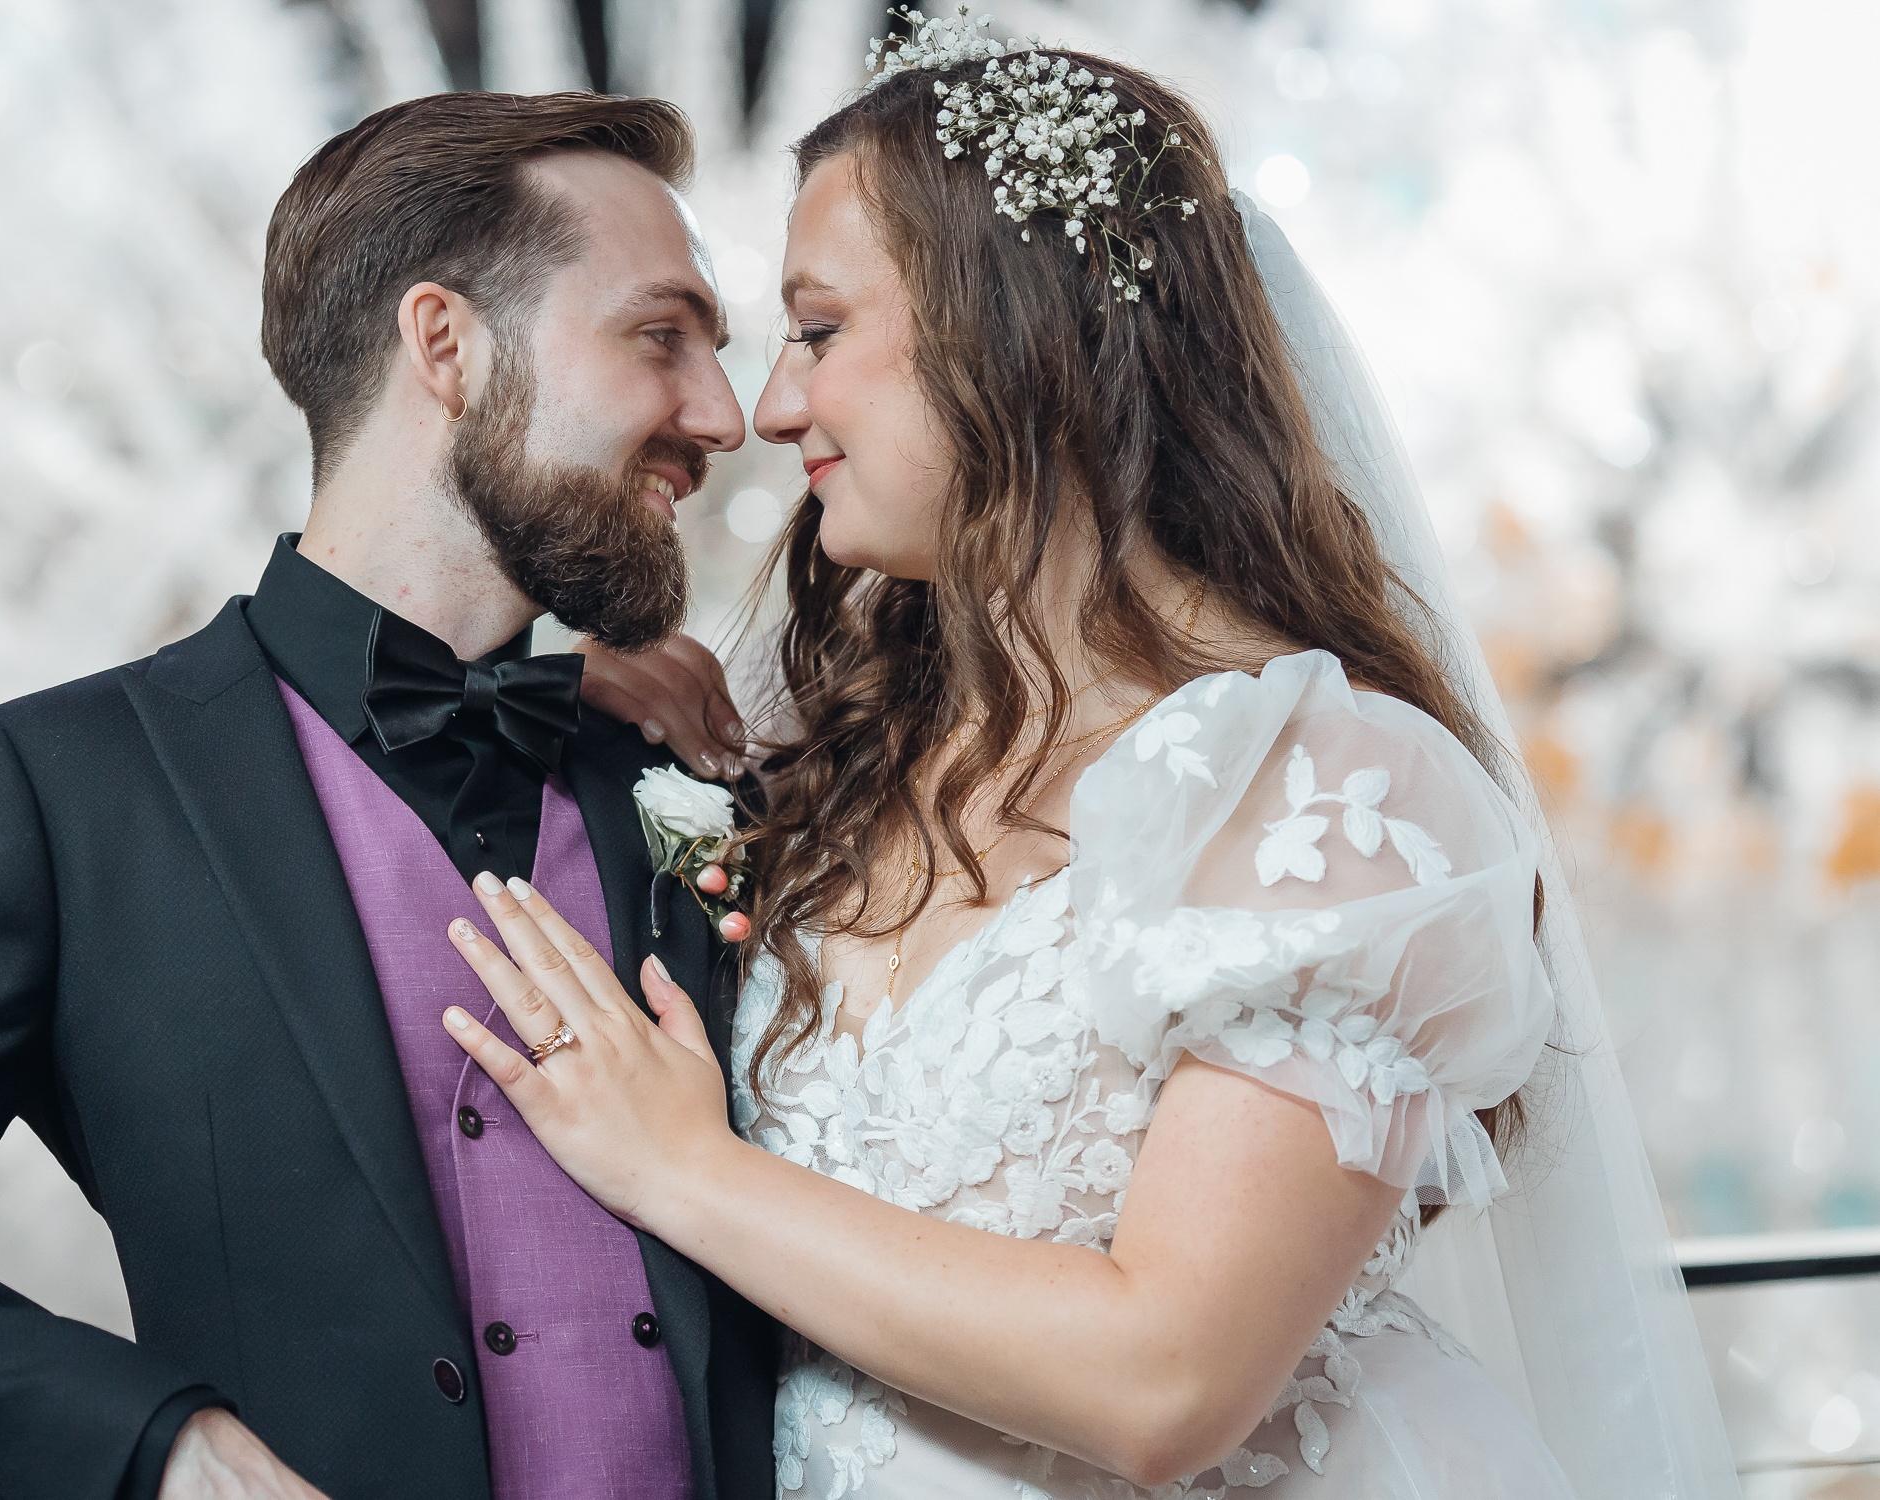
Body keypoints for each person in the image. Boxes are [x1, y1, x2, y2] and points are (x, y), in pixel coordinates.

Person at [442, 14, 1743, 1499]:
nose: (775, 409)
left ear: (1015, 328)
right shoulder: (845, 749)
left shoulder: (1321, 790)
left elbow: (1165, 1381)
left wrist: (681, 1168)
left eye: (817, 330)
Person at [0, 92, 775, 1500]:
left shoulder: (679, 767)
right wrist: (158, 1444)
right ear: (446, 342)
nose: (723, 418)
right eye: (658, 336)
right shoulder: (61, 793)